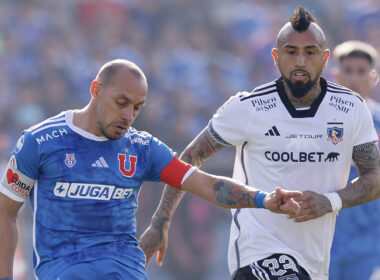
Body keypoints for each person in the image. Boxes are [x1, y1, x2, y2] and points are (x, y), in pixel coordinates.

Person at [0, 59, 302, 280]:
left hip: (125, 270)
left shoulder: (141, 147)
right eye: (121, 102)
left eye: (137, 107)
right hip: (64, 270)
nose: (128, 115)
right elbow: (6, 212)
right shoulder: (40, 141)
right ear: (96, 90)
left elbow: (206, 184)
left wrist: (264, 199)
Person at [139, 7, 380, 280]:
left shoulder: (351, 109)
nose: (300, 61)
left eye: (310, 52)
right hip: (259, 253)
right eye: (291, 51)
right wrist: (161, 220)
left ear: (324, 58)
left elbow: (374, 177)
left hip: (318, 260)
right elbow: (189, 159)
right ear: (276, 57)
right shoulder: (249, 106)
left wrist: (331, 201)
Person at [330, 40, 380, 279]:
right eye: (348, 71)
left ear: (373, 77)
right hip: (325, 235)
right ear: (336, 75)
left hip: (370, 241)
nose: (354, 78)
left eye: (361, 72)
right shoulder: (318, 121)